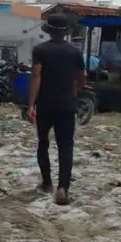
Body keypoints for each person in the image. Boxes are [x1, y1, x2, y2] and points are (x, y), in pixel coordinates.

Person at [29, 13, 86, 206]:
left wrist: (31, 104)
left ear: (49, 31)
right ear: (66, 32)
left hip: (45, 105)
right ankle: (63, 188)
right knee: (66, 147)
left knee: (43, 144)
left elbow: (36, 76)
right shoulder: (75, 52)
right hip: (66, 106)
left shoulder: (40, 50)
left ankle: (46, 183)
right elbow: (81, 80)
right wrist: (69, 90)